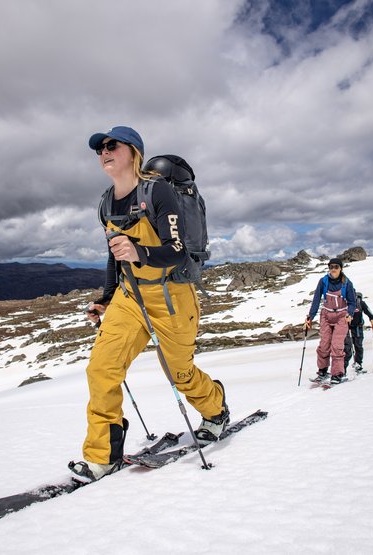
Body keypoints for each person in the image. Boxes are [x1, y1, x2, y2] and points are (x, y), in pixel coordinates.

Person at [69, 126, 229, 483]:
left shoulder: (156, 192)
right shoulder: (106, 202)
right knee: (101, 369)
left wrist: (138, 250)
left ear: (134, 152)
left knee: (180, 373)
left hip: (171, 294)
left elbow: (177, 250)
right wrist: (107, 298)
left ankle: (216, 410)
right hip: (130, 297)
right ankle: (102, 456)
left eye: (112, 146)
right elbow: (114, 256)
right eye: (100, 149)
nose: (104, 152)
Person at [304, 258, 357, 384]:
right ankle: (322, 371)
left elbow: (352, 302)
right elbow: (316, 299)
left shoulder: (347, 283)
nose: (333, 269)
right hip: (326, 315)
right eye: (331, 267)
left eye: (336, 267)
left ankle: (337, 374)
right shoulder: (323, 281)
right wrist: (310, 317)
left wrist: (349, 313)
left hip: (342, 316)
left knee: (337, 345)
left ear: (341, 269)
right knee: (324, 344)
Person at [343, 292, 373, 373]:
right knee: (347, 349)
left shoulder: (360, 302)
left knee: (358, 347)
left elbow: (370, 313)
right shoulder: (343, 303)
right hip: (347, 329)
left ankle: (358, 365)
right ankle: (342, 369)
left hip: (358, 328)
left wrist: (372, 321)